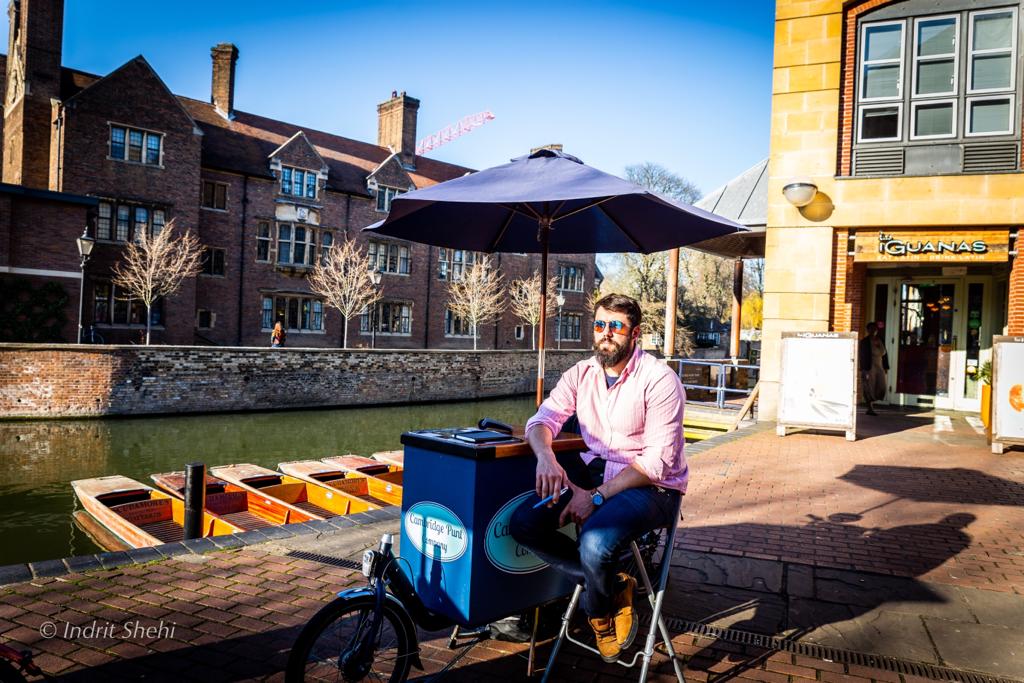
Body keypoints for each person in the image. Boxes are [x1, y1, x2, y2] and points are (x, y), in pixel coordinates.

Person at [509, 293, 685, 663]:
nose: (606, 334)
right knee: (523, 522)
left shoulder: (659, 380)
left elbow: (658, 461)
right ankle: (607, 584)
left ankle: (597, 613)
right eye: (600, 325)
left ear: (634, 333)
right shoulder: (581, 373)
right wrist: (546, 458)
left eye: (616, 327)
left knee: (594, 541)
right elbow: (542, 421)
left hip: (650, 487)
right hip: (590, 477)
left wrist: (595, 497)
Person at [859, 321, 888, 415]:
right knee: (869, 386)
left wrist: (886, 367)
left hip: (879, 365)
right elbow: (862, 356)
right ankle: (870, 408)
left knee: (881, 385)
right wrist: (863, 369)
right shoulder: (864, 342)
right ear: (868, 330)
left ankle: (873, 403)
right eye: (871, 329)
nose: (873, 331)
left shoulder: (880, 340)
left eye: (875, 329)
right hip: (869, 366)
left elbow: (884, 354)